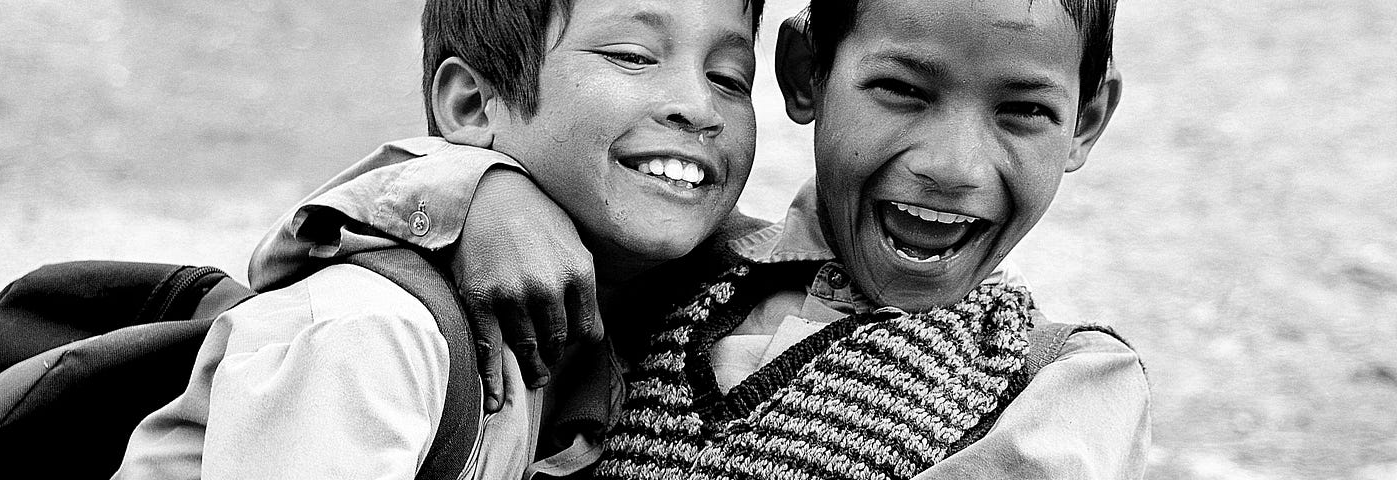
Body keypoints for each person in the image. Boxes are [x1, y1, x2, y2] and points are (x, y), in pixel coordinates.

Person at [310, 0, 1148, 478]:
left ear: (1090, 119)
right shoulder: (657, 273)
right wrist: (481, 189)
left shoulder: (1059, 382)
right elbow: (307, 252)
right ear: (805, 75)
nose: (954, 166)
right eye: (900, 90)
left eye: (1023, 111)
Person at [112, 0, 766, 478]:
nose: (699, 107)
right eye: (631, 56)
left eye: (730, 77)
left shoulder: (636, 322)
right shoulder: (375, 332)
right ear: (472, 107)